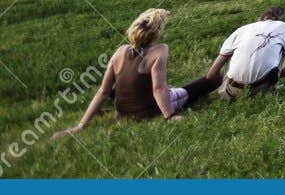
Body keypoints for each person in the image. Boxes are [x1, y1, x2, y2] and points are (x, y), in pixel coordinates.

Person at [52, 8, 200, 136]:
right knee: (189, 90)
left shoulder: (120, 50)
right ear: (155, 34)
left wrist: (80, 126)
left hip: (122, 114)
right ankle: (215, 81)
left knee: (161, 88)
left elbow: (103, 91)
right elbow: (158, 88)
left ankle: (106, 112)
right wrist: (170, 116)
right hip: (147, 111)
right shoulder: (161, 50)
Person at [189, 6, 285, 100]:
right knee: (281, 51)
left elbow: (211, 74)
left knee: (231, 57)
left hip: (231, 92)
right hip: (262, 89)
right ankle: (269, 86)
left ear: (259, 18)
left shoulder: (242, 29)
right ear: (279, 20)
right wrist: (276, 76)